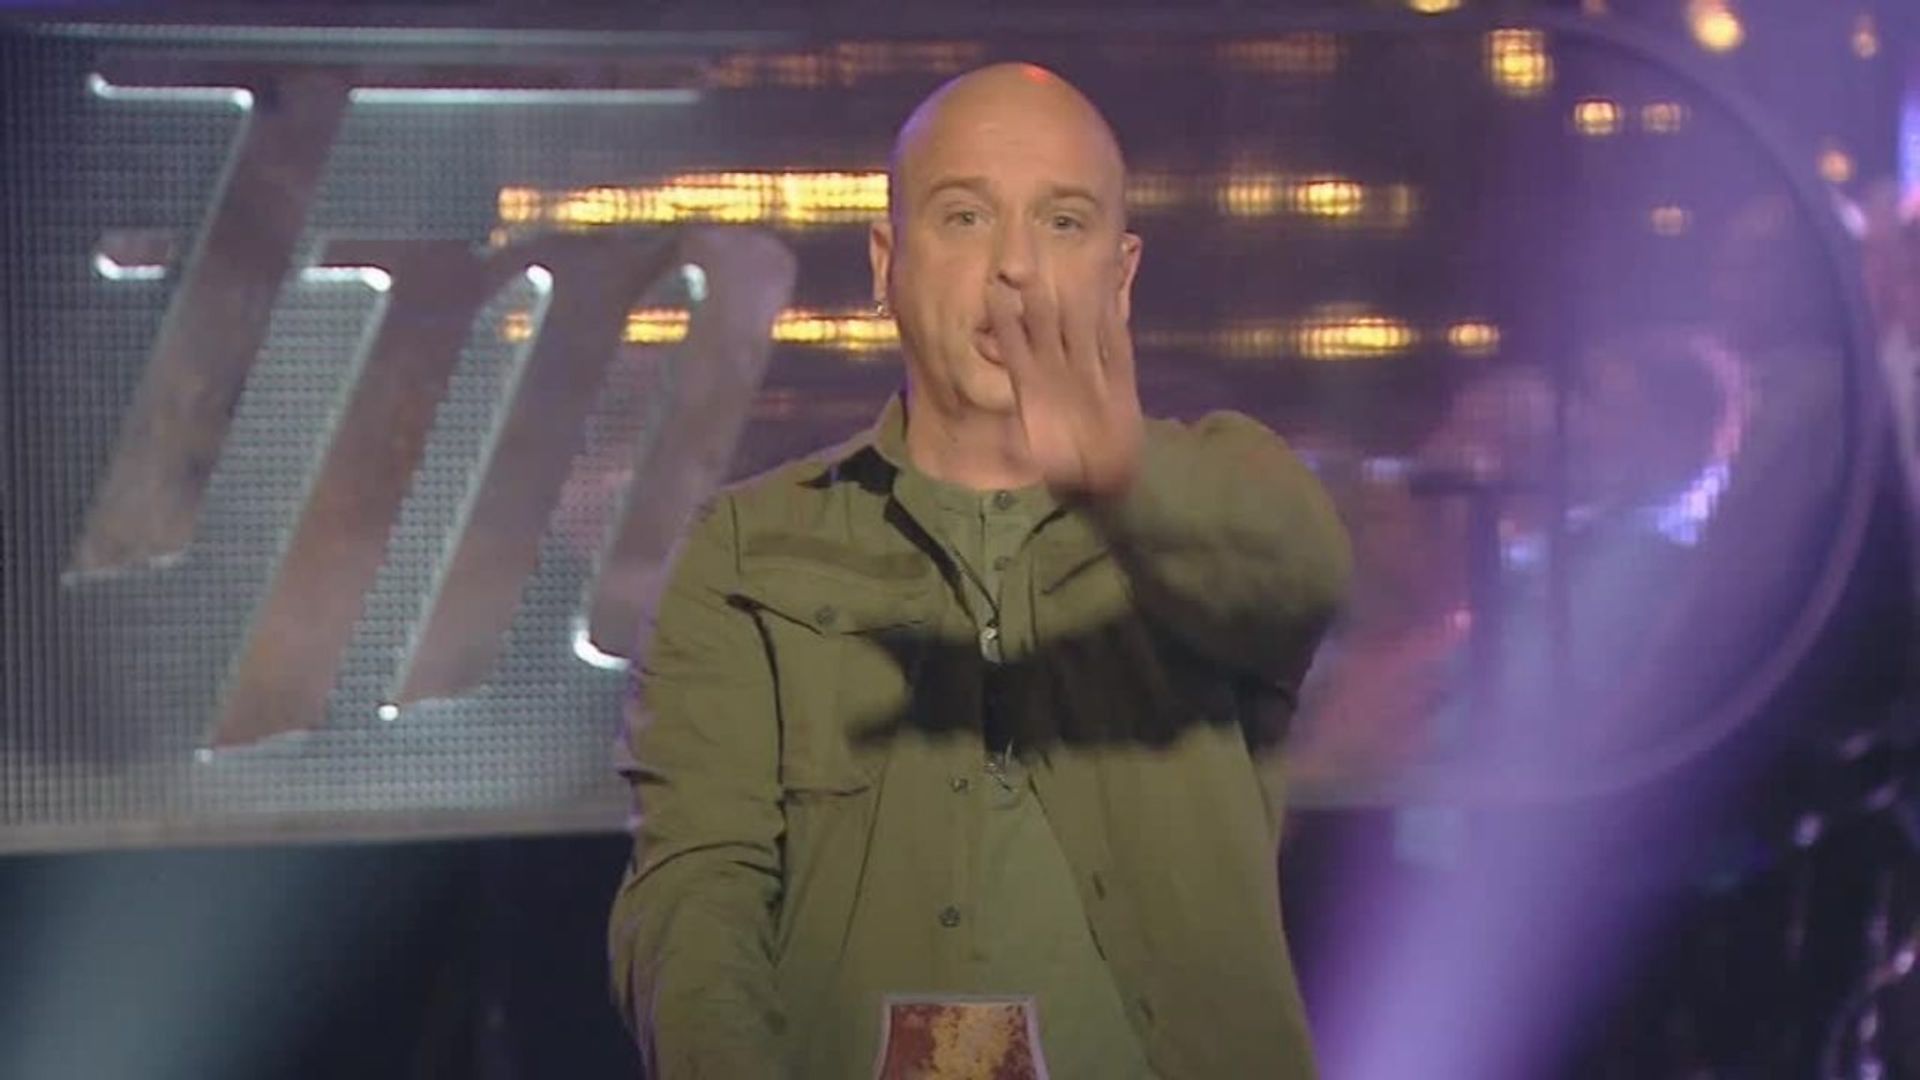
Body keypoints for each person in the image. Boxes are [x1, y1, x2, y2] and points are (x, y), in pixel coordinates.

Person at [608, 62, 1351, 1079]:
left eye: (1063, 223)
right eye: (964, 217)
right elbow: (697, 893)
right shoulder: (748, 548)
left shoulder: (1215, 500)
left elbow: (1301, 578)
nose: (1015, 268)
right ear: (886, 263)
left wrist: (1124, 476)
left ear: (1121, 276)